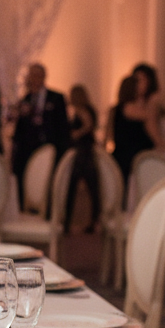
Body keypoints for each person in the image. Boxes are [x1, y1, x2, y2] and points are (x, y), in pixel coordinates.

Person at [10, 62, 69, 205]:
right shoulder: (25, 99)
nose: (33, 80)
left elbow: (62, 126)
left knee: (48, 183)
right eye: (31, 76)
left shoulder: (56, 98)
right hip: (28, 149)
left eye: (36, 76)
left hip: (50, 146)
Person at [111, 63, 165, 181]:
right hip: (131, 162)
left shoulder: (128, 107)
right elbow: (152, 128)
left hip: (135, 159)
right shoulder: (129, 108)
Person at [64, 84, 101, 233]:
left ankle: (70, 222)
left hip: (82, 151)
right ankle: (93, 221)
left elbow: (88, 126)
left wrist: (75, 134)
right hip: (86, 150)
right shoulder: (88, 109)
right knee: (93, 187)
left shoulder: (81, 110)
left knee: (74, 185)